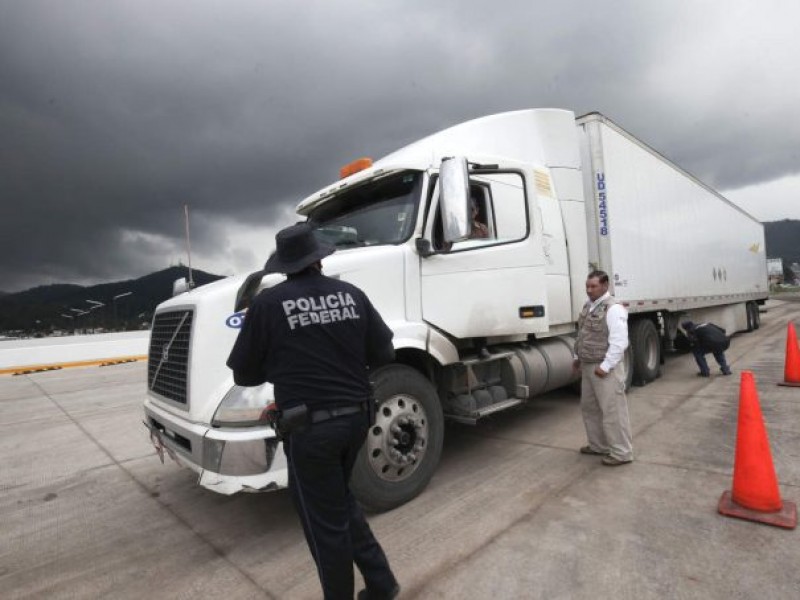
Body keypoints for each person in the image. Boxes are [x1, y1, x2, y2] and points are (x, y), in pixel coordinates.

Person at [227, 223, 400, 600]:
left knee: (324, 527)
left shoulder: (268, 305)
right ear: (319, 259)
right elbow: (384, 353)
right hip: (358, 419)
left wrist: (284, 363)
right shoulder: (352, 294)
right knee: (341, 505)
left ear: (285, 265)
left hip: (311, 432)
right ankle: (382, 585)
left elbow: (244, 374)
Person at [573, 270, 634, 466]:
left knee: (612, 411)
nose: (589, 290)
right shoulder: (588, 307)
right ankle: (598, 445)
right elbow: (582, 334)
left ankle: (622, 453)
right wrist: (577, 357)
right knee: (589, 408)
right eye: (587, 286)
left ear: (605, 286)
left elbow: (619, 342)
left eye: (594, 286)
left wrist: (606, 366)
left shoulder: (613, 309)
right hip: (588, 365)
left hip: (605, 368)